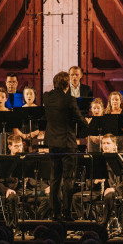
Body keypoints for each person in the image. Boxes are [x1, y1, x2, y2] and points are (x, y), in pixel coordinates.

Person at [43, 71, 88, 221]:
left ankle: (55, 212)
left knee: (54, 178)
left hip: (52, 143)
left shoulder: (47, 97)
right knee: (68, 179)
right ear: (67, 85)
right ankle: (66, 213)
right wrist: (87, 122)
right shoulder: (70, 99)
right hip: (67, 143)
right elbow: (80, 120)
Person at [0, 135, 50, 224]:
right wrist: (7, 190)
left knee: (48, 197)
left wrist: (46, 187)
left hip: (30, 192)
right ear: (10, 147)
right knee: (13, 198)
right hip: (15, 192)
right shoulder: (5, 162)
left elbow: (35, 180)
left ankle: (35, 221)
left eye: (21, 146)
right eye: (16, 146)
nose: (19, 149)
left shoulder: (28, 160)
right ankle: (16, 224)